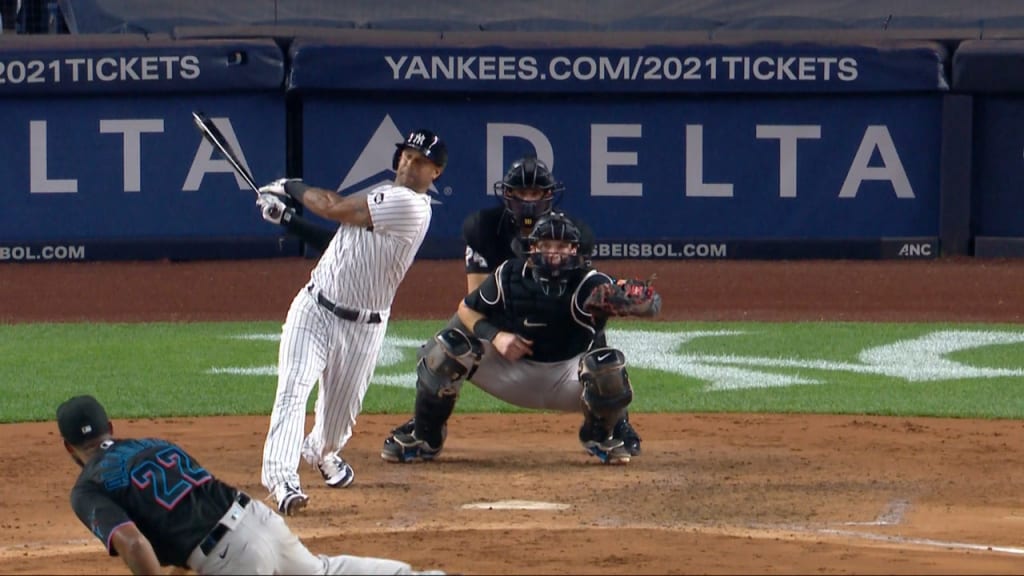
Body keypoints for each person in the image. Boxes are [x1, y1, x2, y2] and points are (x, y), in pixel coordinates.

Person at [254, 129, 445, 514]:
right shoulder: (381, 196)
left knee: (337, 426)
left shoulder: (409, 206)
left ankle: (320, 451)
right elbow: (337, 241)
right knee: (292, 392)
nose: (410, 163)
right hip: (314, 309)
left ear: (436, 172)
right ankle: (282, 481)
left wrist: (290, 186)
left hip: (365, 329)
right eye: (407, 155)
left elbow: (331, 207)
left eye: (421, 160)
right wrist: (288, 221)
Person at [381, 212, 660, 465]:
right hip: (508, 373)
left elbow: (649, 305)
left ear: (575, 250)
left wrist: (641, 304)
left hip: (566, 381)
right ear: (533, 248)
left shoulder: (590, 282)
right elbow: (466, 309)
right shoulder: (509, 274)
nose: (554, 254)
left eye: (562, 247)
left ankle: (599, 435)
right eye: (547, 246)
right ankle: (426, 437)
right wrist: (496, 336)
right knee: (447, 347)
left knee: (609, 365)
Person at [57, 394, 446, 575]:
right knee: (321, 572)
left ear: (68, 447)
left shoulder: (88, 487)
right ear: (111, 428)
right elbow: (192, 514)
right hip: (257, 518)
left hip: (231, 557)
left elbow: (134, 543)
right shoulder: (155, 445)